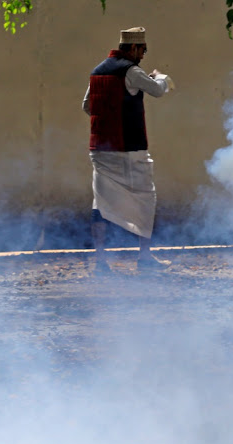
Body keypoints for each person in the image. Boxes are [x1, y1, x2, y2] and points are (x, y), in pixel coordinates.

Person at [82, 26, 174, 272]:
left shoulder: (97, 71)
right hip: (130, 150)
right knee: (145, 199)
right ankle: (144, 258)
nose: (143, 55)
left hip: (100, 150)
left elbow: (87, 106)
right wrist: (160, 77)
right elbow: (157, 90)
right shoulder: (132, 71)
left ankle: (101, 262)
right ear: (133, 47)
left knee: (100, 204)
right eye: (143, 49)